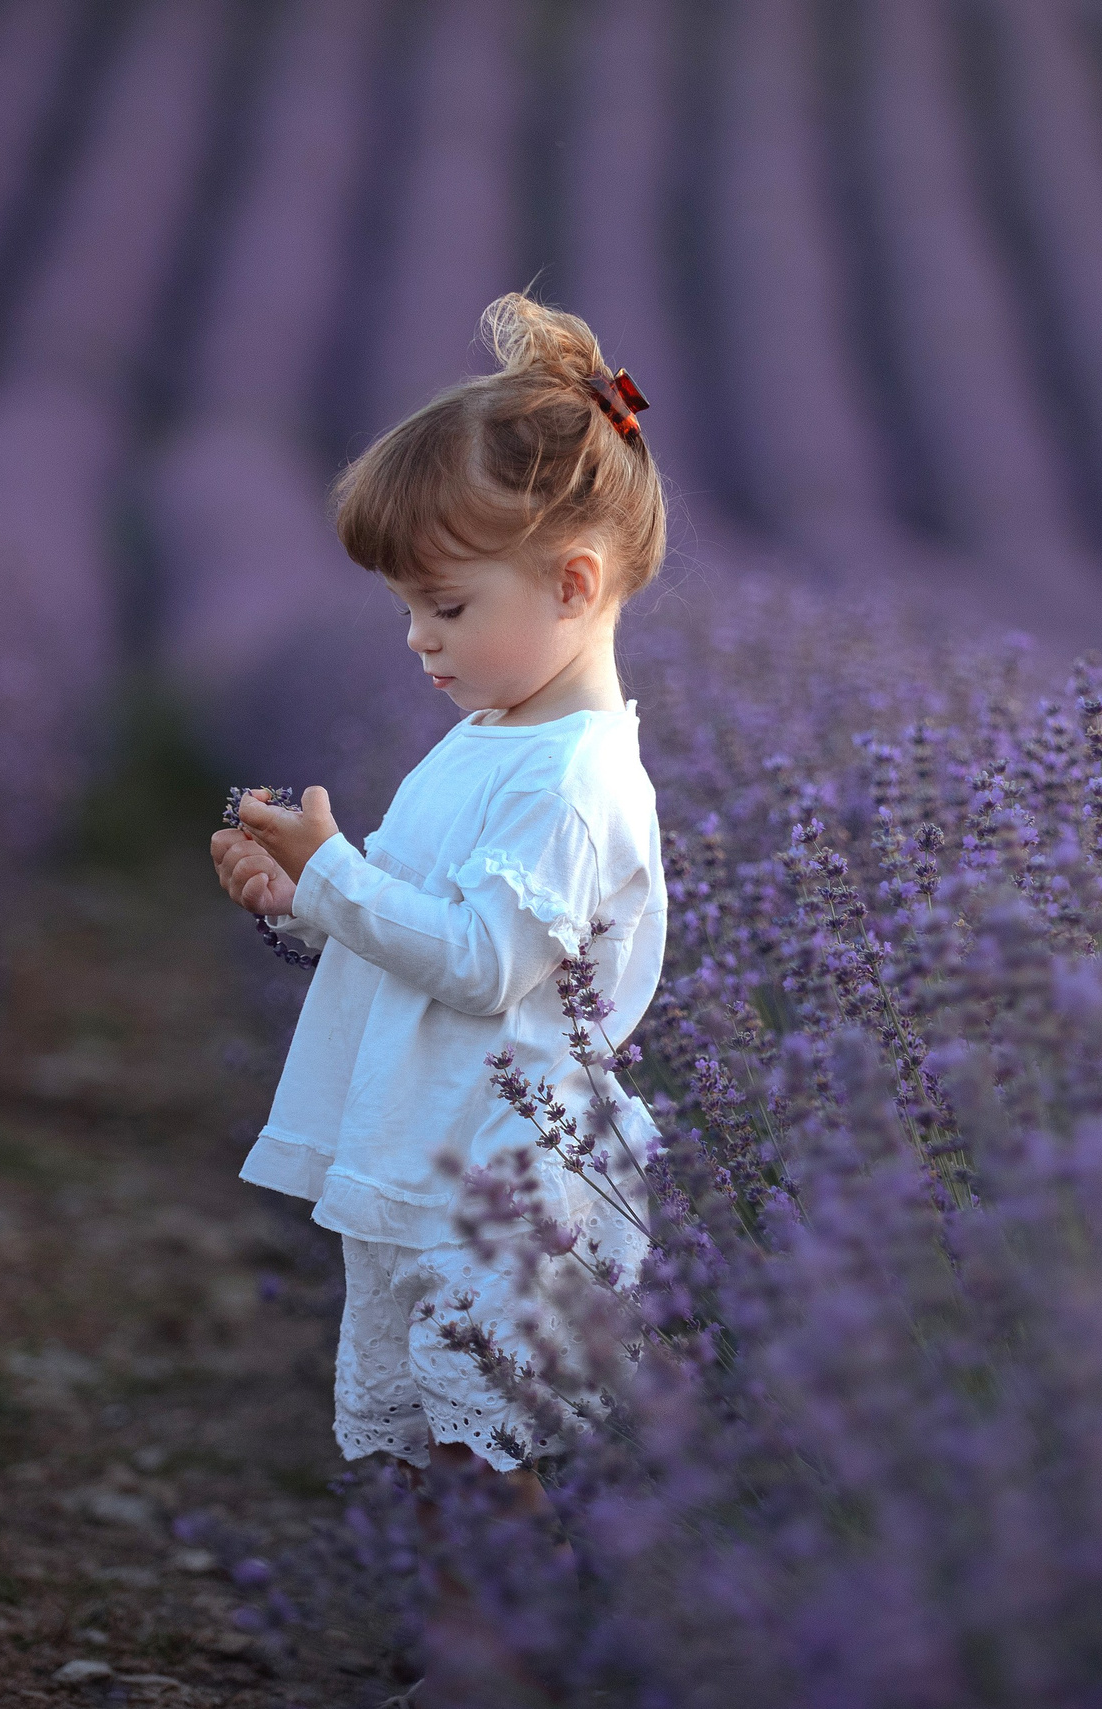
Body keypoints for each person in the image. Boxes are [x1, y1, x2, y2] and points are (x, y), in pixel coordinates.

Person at [209, 292, 666, 1481]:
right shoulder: (491, 735)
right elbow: (419, 935)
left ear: (572, 585)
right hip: (419, 1144)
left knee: (492, 1444)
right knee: (421, 1432)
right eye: (410, 607)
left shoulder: (571, 778)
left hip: (502, 1183)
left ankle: (503, 1662)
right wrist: (302, 898)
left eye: (447, 606)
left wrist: (337, 874)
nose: (418, 638)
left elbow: (482, 965)